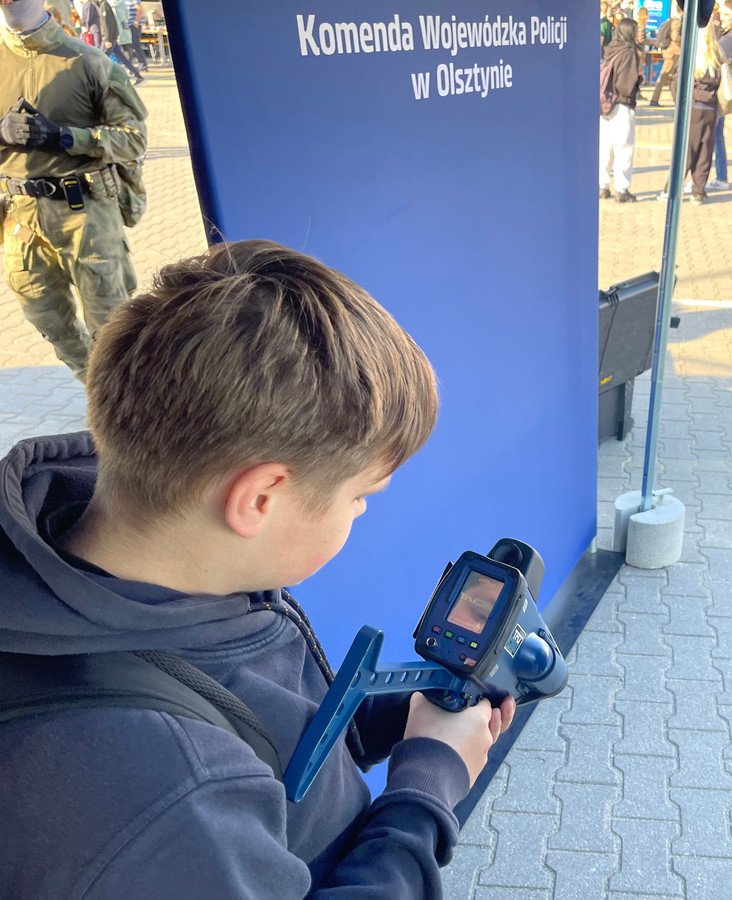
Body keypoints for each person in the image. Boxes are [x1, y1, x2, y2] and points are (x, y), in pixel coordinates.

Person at [0, 239, 519, 896]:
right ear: (260, 498)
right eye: (361, 496)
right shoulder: (165, 796)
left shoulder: (157, 573)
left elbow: (269, 724)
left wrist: (407, 715)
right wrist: (426, 788)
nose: (361, 512)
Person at [0, 0, 147, 380]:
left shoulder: (89, 62)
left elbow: (133, 138)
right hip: (21, 218)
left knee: (112, 326)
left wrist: (65, 137)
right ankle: (99, 389)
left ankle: (122, 397)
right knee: (48, 320)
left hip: (86, 215)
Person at [657, 21, 721, 205]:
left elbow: (676, 83)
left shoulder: (690, 55)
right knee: (705, 151)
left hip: (693, 107)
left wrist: (680, 103)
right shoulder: (717, 56)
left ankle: (670, 189)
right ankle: (698, 191)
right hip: (711, 108)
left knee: (686, 151)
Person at [599, 17, 641, 203]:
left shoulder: (610, 50)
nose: (639, 34)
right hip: (621, 104)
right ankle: (621, 188)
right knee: (624, 147)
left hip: (605, 103)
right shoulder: (629, 53)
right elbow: (626, 84)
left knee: (605, 147)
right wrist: (637, 82)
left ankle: (601, 185)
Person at [710, 0, 732, 193]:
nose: (721, 18)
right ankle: (721, 177)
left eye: (726, 15)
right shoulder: (731, 35)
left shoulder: (731, 39)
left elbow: (715, 62)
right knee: (716, 137)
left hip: (719, 93)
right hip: (721, 93)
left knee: (713, 138)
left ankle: (718, 178)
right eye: (721, 14)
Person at [100, 0, 143, 83]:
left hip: (110, 37)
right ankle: (137, 74)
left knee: (103, 57)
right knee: (122, 57)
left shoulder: (104, 5)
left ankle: (101, 79)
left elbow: (108, 23)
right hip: (113, 36)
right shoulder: (105, 4)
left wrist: (108, 39)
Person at [648, 3, 680, 106]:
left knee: (669, 77)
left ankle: (675, 99)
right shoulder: (677, 22)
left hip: (670, 52)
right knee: (663, 76)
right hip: (673, 52)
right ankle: (654, 100)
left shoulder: (671, 20)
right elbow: (675, 37)